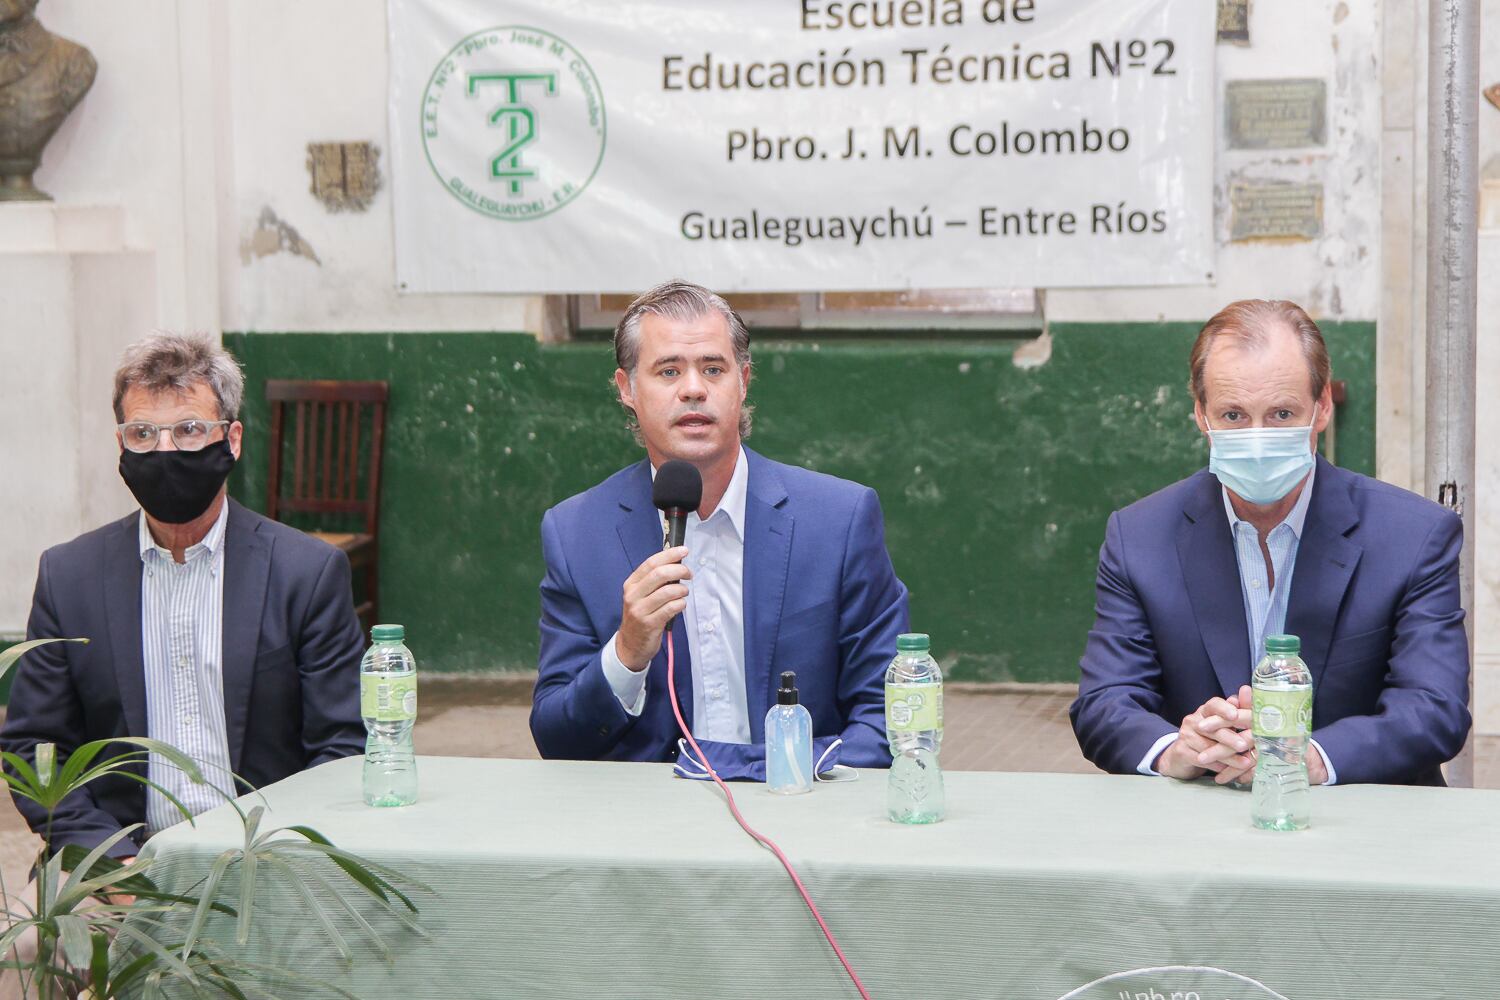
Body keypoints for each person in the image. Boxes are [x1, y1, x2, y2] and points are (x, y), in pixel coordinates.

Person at [1071, 299, 1469, 786]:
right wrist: (1176, 749)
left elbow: (1435, 708)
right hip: (1199, 819)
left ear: (1321, 407)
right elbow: (1104, 701)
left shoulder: (1414, 536)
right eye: (1234, 415)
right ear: (1201, 415)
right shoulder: (1139, 537)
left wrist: (1313, 757)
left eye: (1282, 413)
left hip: (1363, 824)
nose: (1257, 438)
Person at [0, 333, 366, 860]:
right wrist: (109, 860)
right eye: (144, 433)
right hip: (120, 868)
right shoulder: (69, 576)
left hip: (269, 862)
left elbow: (342, 748)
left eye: (190, 430)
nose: (166, 451)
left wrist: (276, 854)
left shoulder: (306, 573)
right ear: (120, 444)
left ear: (232, 440)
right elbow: (34, 752)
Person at [531, 280, 908, 767]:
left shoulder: (839, 519)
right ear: (627, 389)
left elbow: (890, 718)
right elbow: (557, 740)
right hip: (651, 826)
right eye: (668, 371)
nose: (693, 389)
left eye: (713, 368)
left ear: (743, 381)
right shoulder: (577, 533)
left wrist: (777, 772)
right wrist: (625, 653)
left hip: (803, 808)